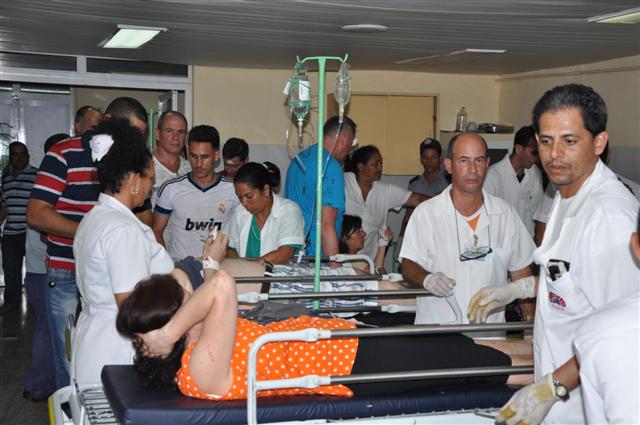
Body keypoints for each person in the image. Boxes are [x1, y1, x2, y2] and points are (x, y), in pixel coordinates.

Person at [115, 248, 531, 401]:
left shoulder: (203, 339)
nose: (193, 301)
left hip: (344, 343)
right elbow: (220, 285)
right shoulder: (198, 369)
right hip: (352, 367)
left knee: (462, 345)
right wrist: (166, 335)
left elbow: (202, 284)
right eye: (184, 304)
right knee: (474, 360)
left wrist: (168, 324)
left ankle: (559, 353)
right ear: (176, 320)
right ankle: (553, 374)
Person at [468, 84, 639, 425]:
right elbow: (571, 276)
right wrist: (518, 289)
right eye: (546, 141)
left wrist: (549, 390)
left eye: (569, 141)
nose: (554, 154)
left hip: (586, 408)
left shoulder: (609, 217)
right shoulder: (564, 192)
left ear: (599, 143)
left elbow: (624, 337)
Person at [26, 96, 150, 390]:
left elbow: (142, 219)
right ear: (107, 121)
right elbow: (37, 214)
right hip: (67, 269)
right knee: (69, 359)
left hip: (119, 274)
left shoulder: (132, 160)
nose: (133, 141)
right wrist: (92, 234)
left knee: (115, 358)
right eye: (130, 131)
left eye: (138, 135)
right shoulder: (63, 154)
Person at [71, 118, 175, 385]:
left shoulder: (95, 217)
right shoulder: (122, 229)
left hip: (94, 338)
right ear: (133, 179)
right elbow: (132, 307)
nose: (151, 186)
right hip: (119, 351)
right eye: (150, 178)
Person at [399, 132, 535, 333]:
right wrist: (426, 278)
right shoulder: (426, 214)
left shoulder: (505, 215)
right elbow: (408, 264)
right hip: (437, 334)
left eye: (479, 160)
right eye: (464, 160)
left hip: (490, 336)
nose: (473, 169)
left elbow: (521, 273)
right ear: (449, 165)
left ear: (487, 164)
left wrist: (529, 322)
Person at [21, 133, 68, 401]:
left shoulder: (46, 184)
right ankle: (39, 386)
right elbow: (45, 233)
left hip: (43, 270)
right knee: (47, 332)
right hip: (44, 270)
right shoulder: (50, 188)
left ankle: (44, 385)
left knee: (51, 331)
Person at [153, 124, 239, 259]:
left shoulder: (233, 190)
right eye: (193, 156)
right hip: (182, 268)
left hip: (219, 267)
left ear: (216, 155)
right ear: (187, 153)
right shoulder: (171, 189)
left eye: (205, 157)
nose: (198, 164)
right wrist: (167, 264)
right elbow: (156, 230)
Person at [285, 115, 356, 259]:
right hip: (315, 259)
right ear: (343, 140)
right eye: (351, 144)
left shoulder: (298, 161)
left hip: (291, 253)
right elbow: (326, 224)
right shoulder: (331, 167)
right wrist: (334, 267)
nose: (348, 151)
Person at [344, 145, 427, 267]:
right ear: (361, 167)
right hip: (341, 261)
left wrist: (449, 201)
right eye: (374, 164)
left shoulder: (384, 191)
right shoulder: (344, 182)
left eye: (381, 163)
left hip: (368, 264)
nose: (379, 168)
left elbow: (417, 199)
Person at [226, 162, 304, 264]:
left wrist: (251, 268)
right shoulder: (239, 213)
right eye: (240, 197)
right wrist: (237, 266)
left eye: (249, 196)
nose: (244, 203)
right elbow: (231, 249)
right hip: (246, 277)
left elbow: (285, 253)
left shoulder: (289, 211)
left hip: (280, 278)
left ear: (266, 190)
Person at [483, 125, 543, 237]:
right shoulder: (493, 177)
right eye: (534, 153)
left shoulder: (535, 174)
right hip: (501, 245)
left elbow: (539, 214)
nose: (537, 159)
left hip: (527, 246)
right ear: (519, 149)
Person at [0, 142, 38, 314]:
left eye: (23, 153)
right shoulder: (4, 179)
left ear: (28, 156)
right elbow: (4, 208)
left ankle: (35, 302)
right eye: (15, 154)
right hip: (10, 233)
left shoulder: (37, 175)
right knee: (10, 269)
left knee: (34, 270)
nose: (19, 157)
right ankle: (11, 302)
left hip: (31, 232)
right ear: (10, 157)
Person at [151, 111, 191, 206]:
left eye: (181, 132)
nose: (175, 137)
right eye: (169, 131)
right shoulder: (144, 166)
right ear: (157, 134)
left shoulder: (191, 169)